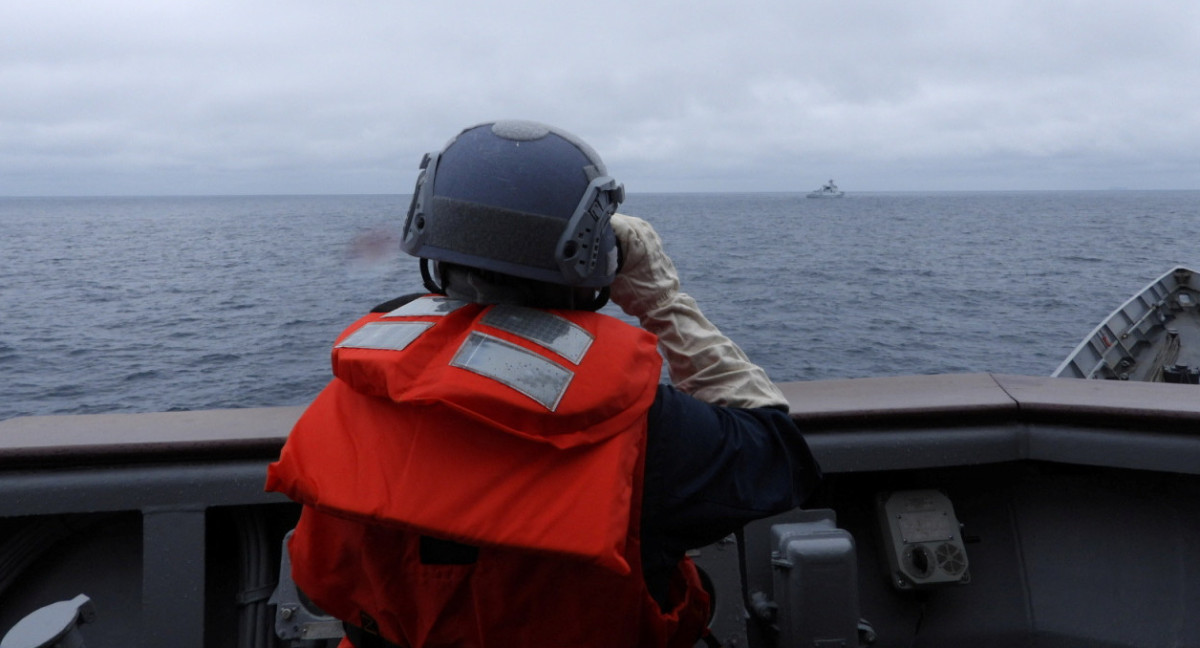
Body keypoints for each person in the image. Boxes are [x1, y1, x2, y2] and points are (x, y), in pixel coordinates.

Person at [265, 120, 821, 648]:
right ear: (592, 256)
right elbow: (781, 457)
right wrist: (662, 300)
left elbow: (316, 585)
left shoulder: (361, 387)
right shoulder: (646, 433)